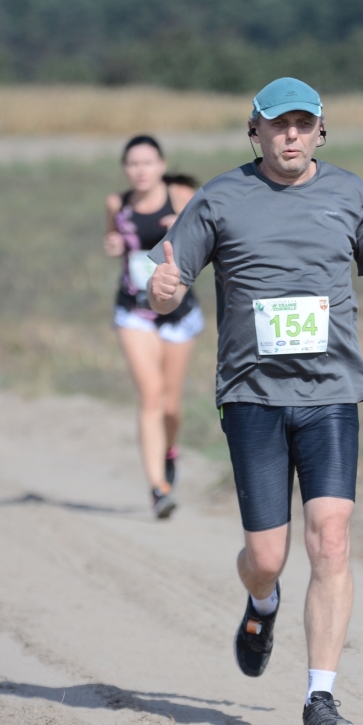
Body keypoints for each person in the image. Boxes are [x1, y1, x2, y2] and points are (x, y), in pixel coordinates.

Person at [147, 78, 363, 725]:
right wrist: (162, 290)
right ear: (253, 131)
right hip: (251, 397)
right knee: (267, 556)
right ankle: (262, 602)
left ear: (320, 131)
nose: (290, 135)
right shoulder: (220, 197)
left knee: (331, 539)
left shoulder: (350, 195)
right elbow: (165, 284)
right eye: (277, 124)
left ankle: (320, 697)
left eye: (302, 124)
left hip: (330, 393)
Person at [104, 135, 204, 519]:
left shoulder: (180, 196)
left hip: (178, 311)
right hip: (134, 310)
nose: (140, 170)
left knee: (171, 405)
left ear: (161, 165)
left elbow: (206, 239)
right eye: (133, 164)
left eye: (147, 162)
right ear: (125, 169)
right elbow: (115, 238)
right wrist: (114, 243)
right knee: (150, 396)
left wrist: (182, 226)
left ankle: (169, 450)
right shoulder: (118, 204)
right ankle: (159, 489)